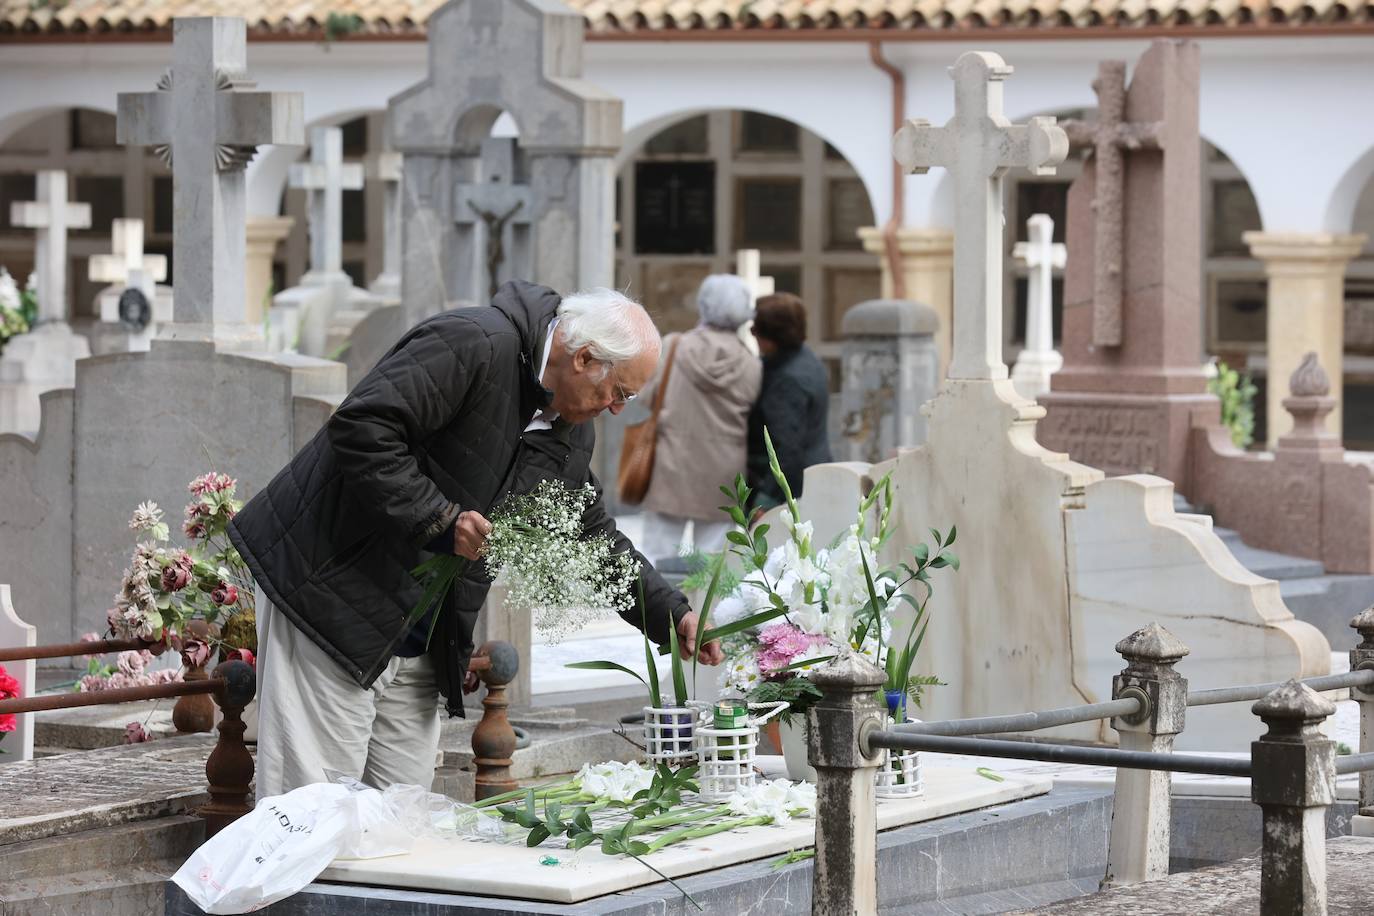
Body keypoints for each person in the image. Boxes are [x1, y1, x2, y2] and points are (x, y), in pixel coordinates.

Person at [228, 281, 723, 798]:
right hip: (330, 593)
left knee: (402, 820)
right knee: (314, 810)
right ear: (583, 358)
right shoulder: (473, 343)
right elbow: (362, 427)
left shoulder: (570, 430)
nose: (618, 408)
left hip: (419, 629)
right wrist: (440, 520)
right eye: (619, 392)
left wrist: (672, 614)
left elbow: (589, 534)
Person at [637, 275, 762, 564]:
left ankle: (657, 609)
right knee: (713, 563)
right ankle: (702, 610)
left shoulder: (673, 346)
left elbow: (646, 396)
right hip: (724, 475)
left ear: (703, 305)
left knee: (657, 557)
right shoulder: (751, 365)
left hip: (671, 466)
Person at [747, 292, 833, 511]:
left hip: (791, 491)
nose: (753, 335)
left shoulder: (788, 380)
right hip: (814, 476)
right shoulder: (808, 360)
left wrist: (765, 501)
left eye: (755, 329)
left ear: (771, 336)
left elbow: (787, 448)